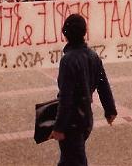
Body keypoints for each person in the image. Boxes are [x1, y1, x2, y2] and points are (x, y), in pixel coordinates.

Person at [50, 14, 117, 166]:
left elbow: (66, 97)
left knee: (75, 159)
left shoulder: (68, 60)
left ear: (65, 34)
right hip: (86, 118)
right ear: (84, 33)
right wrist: (110, 110)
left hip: (72, 122)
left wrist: (59, 126)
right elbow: (103, 85)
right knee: (70, 158)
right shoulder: (93, 56)